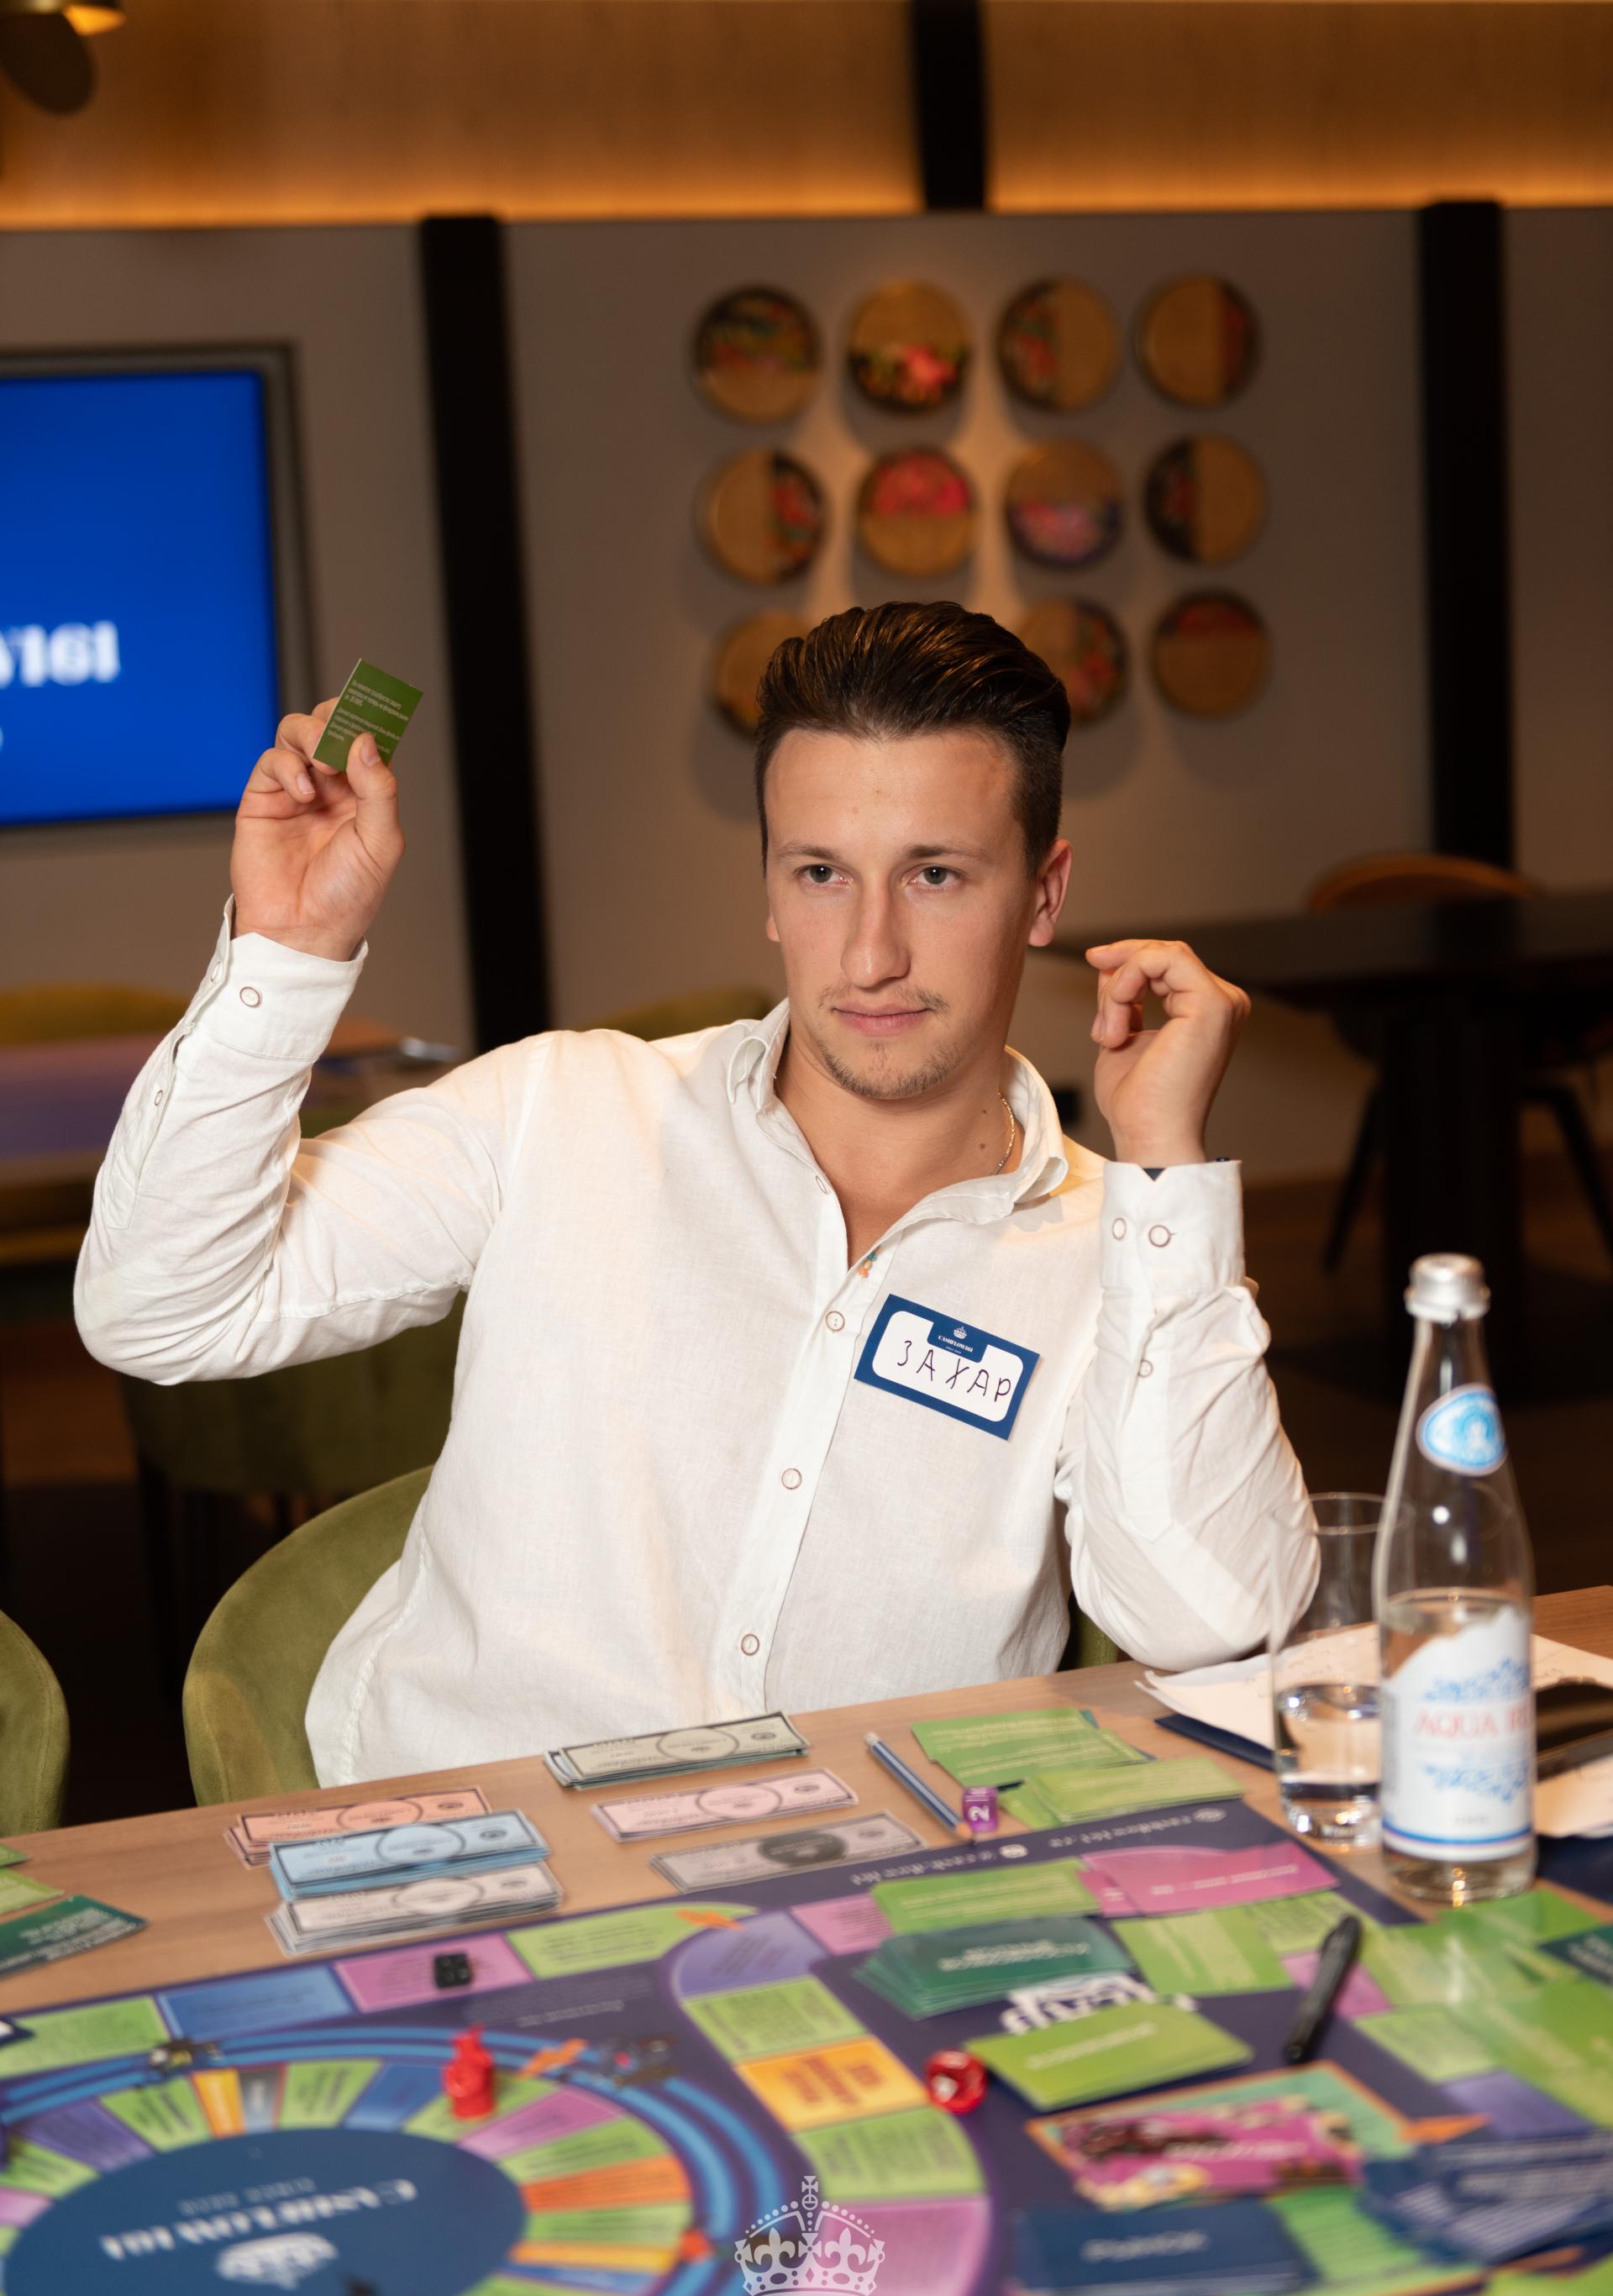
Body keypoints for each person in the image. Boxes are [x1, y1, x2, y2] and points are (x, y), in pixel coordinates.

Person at [77, 602, 1307, 1786]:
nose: (871, 953)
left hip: (866, 1875)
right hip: (480, 1853)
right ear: (768, 887)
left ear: (1044, 892)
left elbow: (1213, 1621)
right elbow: (158, 1311)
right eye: (821, 872)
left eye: (935, 875)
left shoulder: (1119, 1252)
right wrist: (286, 948)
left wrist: (1165, 1167)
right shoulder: (560, 1112)